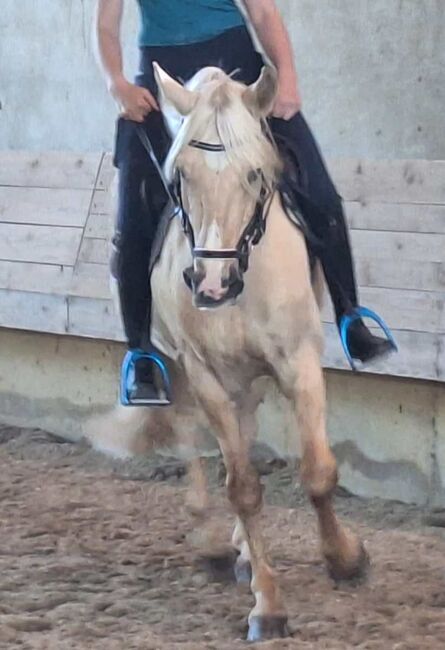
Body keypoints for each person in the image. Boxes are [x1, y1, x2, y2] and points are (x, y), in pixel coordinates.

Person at [96, 0, 396, 405]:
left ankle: (351, 316)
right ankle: (141, 355)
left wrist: (287, 77)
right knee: (134, 215)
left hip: (236, 63)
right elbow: (107, 26)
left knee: (319, 191)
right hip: (164, 78)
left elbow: (263, 13)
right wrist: (118, 84)